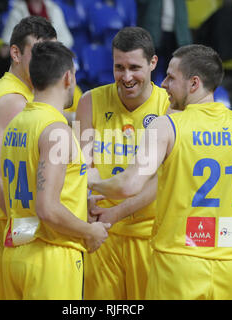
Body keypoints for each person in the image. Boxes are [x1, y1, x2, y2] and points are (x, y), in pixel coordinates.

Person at [88, 44, 232, 300]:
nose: (164, 84)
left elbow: (129, 186)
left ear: (194, 84)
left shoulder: (166, 126)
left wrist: (94, 183)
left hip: (177, 265)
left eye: (170, 77)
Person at [1, 40, 110, 300]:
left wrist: (79, 202)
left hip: (15, 254)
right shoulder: (56, 130)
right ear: (68, 77)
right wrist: (89, 231)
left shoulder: (17, 122)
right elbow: (47, 208)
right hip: (50, 257)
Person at [0, 16, 57, 300]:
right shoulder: (16, 102)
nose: (47, 64)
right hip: (1, 228)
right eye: (38, 54)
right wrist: (29, 231)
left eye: (51, 55)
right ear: (15, 53)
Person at [75, 26, 171, 300]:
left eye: (134, 67)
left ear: (153, 63)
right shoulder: (90, 101)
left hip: (151, 235)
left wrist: (116, 212)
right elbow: (82, 169)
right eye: (119, 67)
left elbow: (163, 181)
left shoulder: (169, 106)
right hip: (103, 236)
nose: (126, 77)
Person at [1, 0, 73, 49]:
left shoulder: (54, 9)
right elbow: (8, 42)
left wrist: (51, 45)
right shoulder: (17, 12)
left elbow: (67, 40)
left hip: (52, 61)